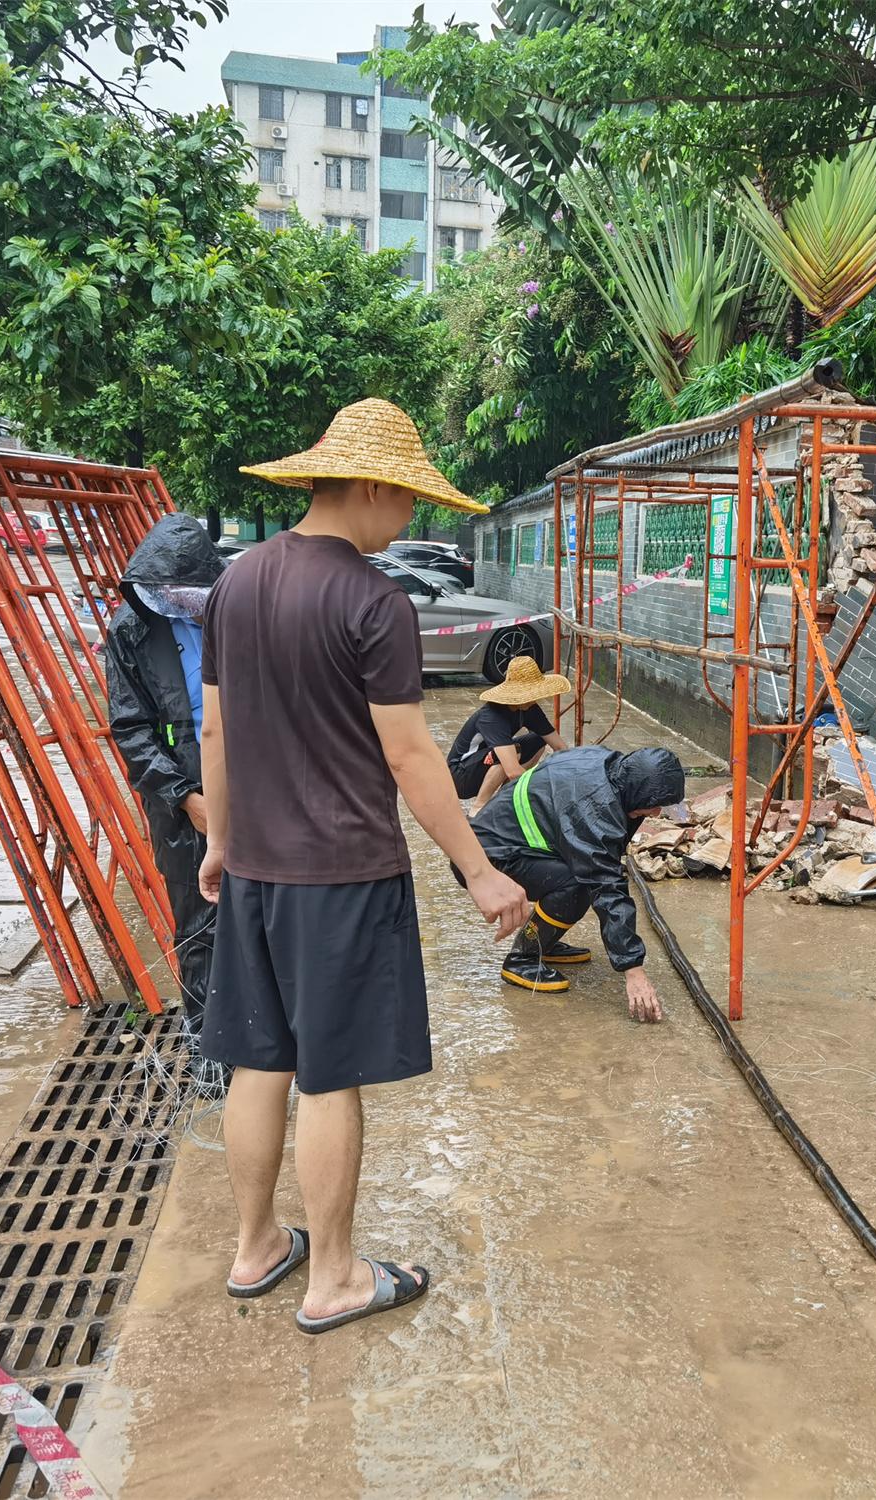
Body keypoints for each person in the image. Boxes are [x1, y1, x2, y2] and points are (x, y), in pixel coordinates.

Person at [198, 398, 530, 1335]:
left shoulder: (237, 581)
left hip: (257, 869)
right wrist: (479, 872)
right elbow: (413, 758)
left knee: (256, 1060)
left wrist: (222, 840)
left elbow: (213, 728)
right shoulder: (374, 601)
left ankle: (257, 1246)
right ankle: (334, 1276)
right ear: (374, 487)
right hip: (340, 874)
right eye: (410, 502)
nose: (412, 524)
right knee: (327, 1075)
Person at [103, 512, 223, 1037]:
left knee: (273, 914)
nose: (180, 599)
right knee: (200, 924)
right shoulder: (131, 628)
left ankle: (270, 1042)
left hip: (253, 781)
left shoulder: (236, 617)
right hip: (181, 795)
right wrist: (184, 798)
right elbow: (129, 728)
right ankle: (210, 1050)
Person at [464, 744, 684, 1021]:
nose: (655, 813)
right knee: (579, 885)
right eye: (653, 804)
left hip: (499, 844)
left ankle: (545, 941)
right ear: (637, 789)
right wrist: (633, 970)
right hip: (489, 860)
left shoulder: (610, 766)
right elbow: (607, 885)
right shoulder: (595, 808)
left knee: (583, 877)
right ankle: (523, 958)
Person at [447, 655, 570, 806]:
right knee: (512, 751)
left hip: (487, 759)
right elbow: (512, 771)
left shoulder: (530, 708)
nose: (535, 698)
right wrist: (544, 791)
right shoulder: (492, 716)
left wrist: (570, 774)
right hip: (461, 776)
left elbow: (560, 747)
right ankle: (479, 808)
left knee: (537, 740)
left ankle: (505, 798)